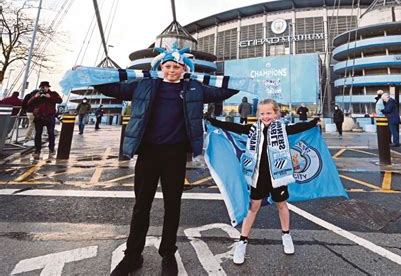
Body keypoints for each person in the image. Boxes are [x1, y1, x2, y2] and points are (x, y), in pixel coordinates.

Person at [85, 47, 238, 276]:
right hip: (148, 153)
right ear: (160, 68)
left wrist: (246, 81)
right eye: (167, 66)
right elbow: (115, 88)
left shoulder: (193, 88)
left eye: (176, 67)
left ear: (184, 69)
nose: (171, 71)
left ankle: (168, 254)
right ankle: (132, 256)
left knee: (172, 206)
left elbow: (222, 92)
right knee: (141, 206)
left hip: (175, 155)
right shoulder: (145, 85)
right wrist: (87, 75)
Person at [207, 99, 321, 265]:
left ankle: (286, 235)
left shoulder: (282, 129)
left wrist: (314, 122)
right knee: (253, 208)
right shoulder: (253, 129)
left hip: (278, 175)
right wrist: (213, 121)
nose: (265, 116)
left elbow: (299, 127)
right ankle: (242, 241)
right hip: (258, 176)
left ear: (276, 114)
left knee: (281, 204)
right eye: (262, 113)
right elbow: (235, 128)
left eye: (269, 113)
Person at [27, 81, 62, 159]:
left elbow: (60, 100)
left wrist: (50, 97)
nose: (44, 88)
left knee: (51, 133)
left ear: (48, 87)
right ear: (40, 87)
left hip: (50, 116)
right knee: (38, 134)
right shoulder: (37, 94)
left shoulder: (53, 93)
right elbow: (29, 103)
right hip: (39, 117)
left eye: (46, 87)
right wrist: (35, 97)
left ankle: (51, 149)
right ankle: (37, 150)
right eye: (42, 87)